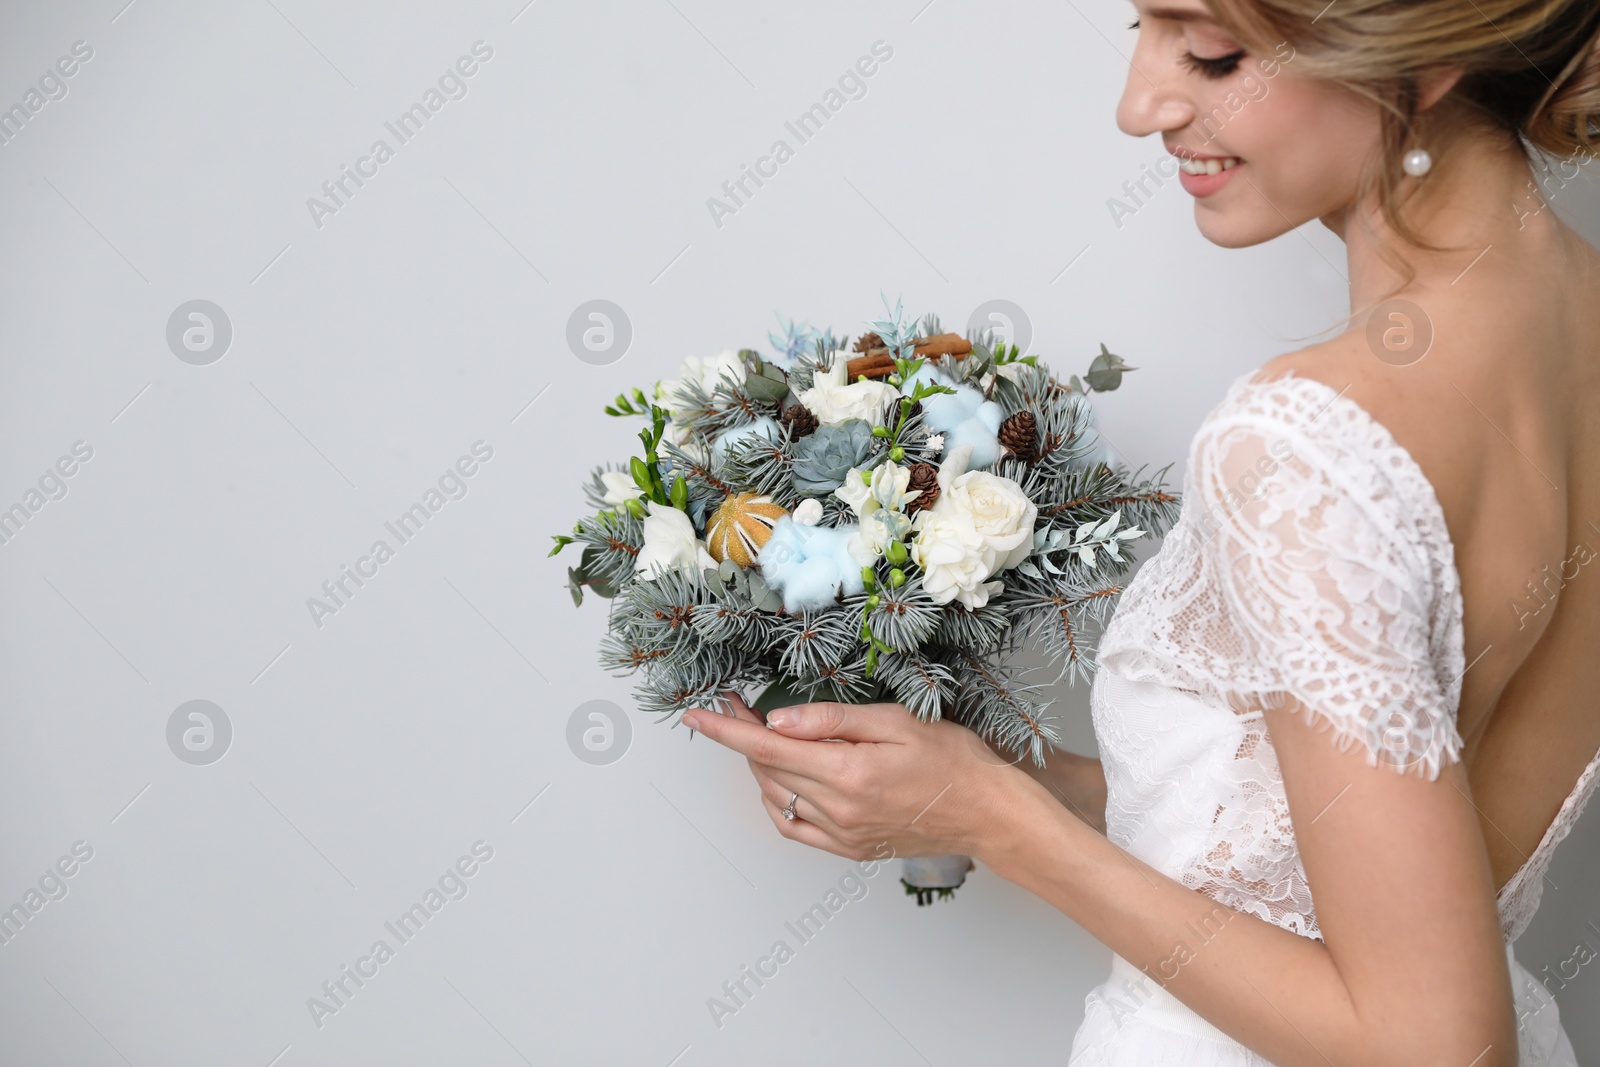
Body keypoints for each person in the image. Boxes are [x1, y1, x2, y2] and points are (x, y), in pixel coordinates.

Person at [680, 0, 1600, 1062]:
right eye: (1142, 33)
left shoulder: (1306, 444)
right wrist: (998, 776)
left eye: (1212, 52)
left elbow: (1431, 1043)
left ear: (1427, 57)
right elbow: (1346, 841)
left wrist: (997, 822)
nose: (1139, 109)